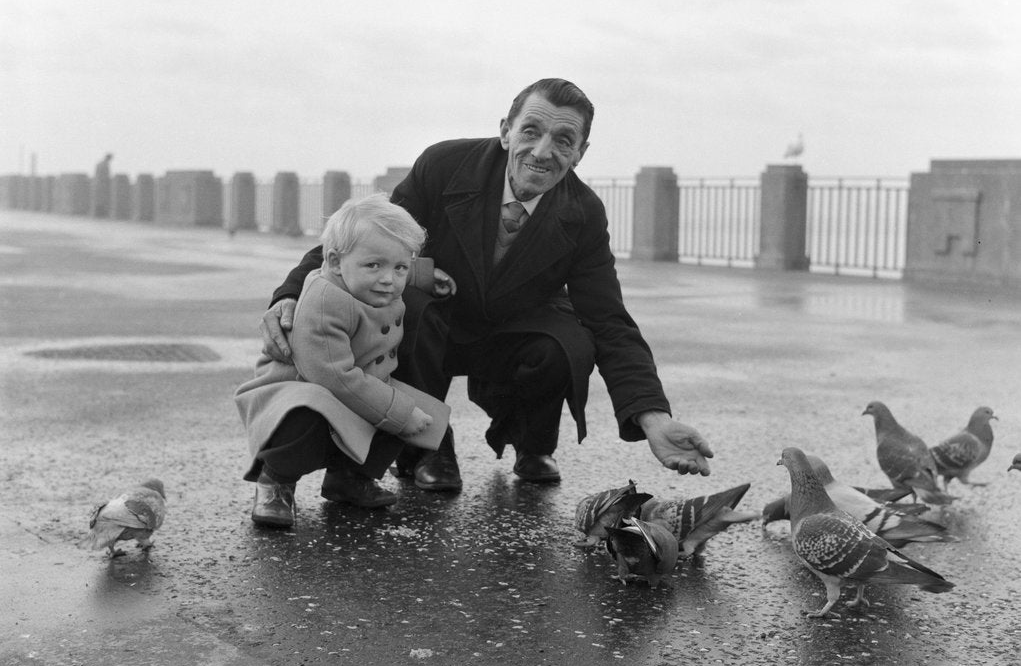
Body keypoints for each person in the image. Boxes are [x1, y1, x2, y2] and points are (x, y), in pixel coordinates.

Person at [260, 77, 713, 494]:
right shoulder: (444, 165)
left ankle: (531, 443)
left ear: (580, 153)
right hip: (436, 321)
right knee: (410, 306)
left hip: (513, 328)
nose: (541, 152)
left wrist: (654, 417)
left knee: (568, 340)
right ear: (505, 132)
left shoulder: (585, 212)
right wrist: (292, 293)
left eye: (563, 140)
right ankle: (426, 448)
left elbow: (609, 320)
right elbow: (361, 240)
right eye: (530, 131)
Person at [235, 193, 452, 527]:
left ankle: (348, 477)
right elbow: (332, 376)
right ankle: (276, 481)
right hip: (300, 387)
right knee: (313, 415)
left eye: (399, 268)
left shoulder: (369, 282)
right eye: (374, 266)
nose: (388, 279)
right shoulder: (325, 300)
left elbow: (387, 263)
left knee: (419, 416)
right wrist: (398, 412)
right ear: (335, 263)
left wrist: (421, 275)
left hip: (353, 383)